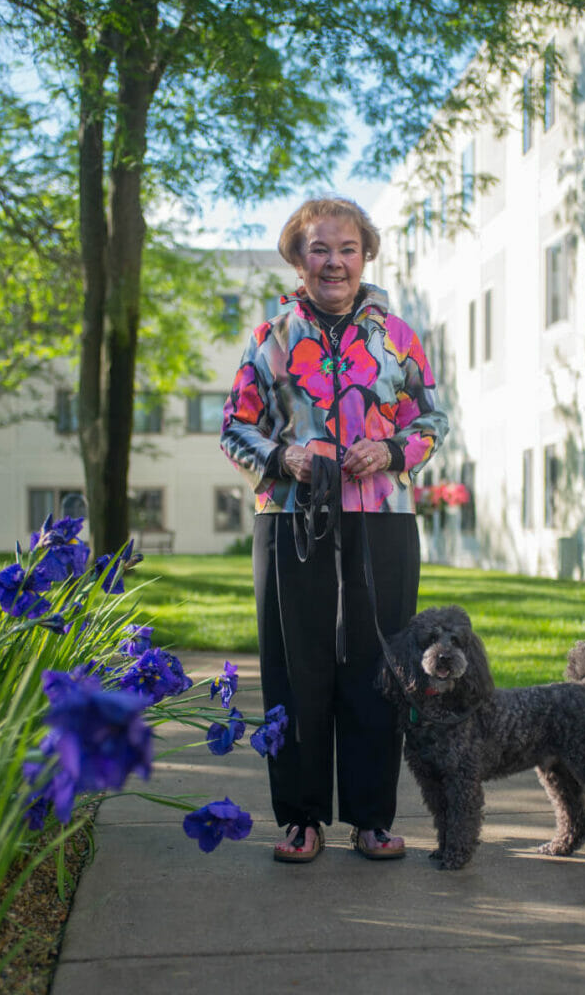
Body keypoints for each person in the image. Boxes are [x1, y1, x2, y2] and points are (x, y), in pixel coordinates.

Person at [220, 196, 448, 862]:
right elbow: (235, 424)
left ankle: (371, 820)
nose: (333, 262)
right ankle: (300, 818)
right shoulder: (270, 338)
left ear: (364, 255)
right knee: (297, 668)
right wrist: (280, 456)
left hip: (380, 520)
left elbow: (430, 420)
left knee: (380, 668)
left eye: (345, 248)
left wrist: (392, 450)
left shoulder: (397, 336)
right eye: (318, 249)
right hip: (291, 520)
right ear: (298, 259)